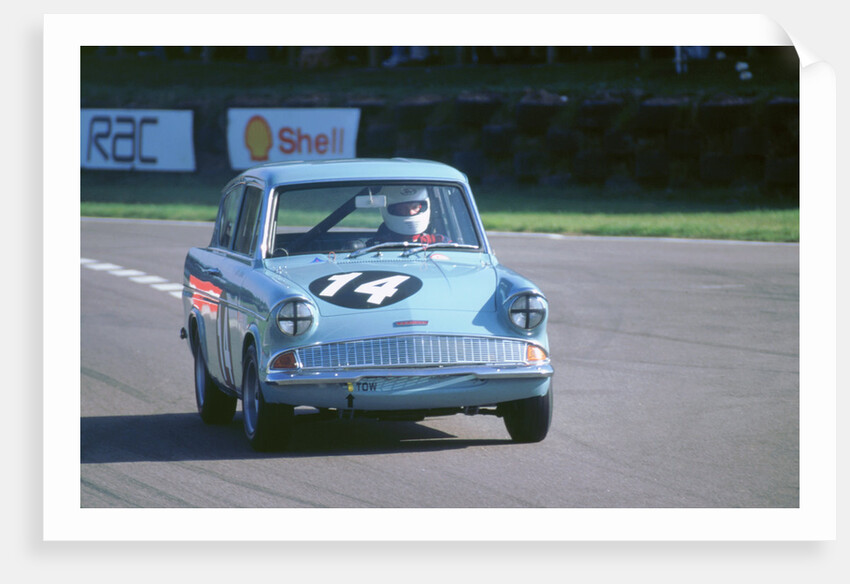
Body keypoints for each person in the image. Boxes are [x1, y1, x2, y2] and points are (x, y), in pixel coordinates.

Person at [370, 186, 446, 244]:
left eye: (415, 207)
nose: (410, 212)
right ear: (393, 210)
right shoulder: (378, 243)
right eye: (402, 209)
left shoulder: (439, 241)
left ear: (422, 207)